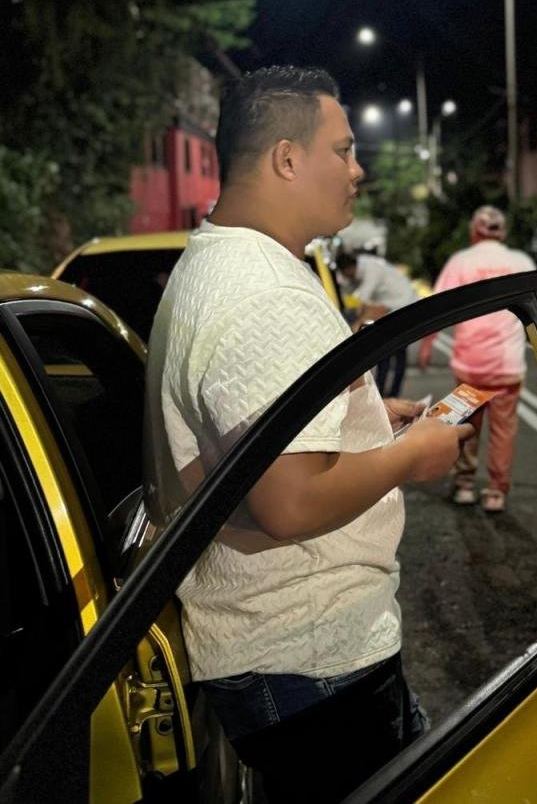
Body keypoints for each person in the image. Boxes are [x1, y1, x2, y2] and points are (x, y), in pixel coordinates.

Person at [142, 65, 473, 802]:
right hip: (312, 661)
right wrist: (409, 455)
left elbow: (254, 438)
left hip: (283, 661)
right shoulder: (265, 293)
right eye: (344, 149)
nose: (358, 170)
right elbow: (289, 502)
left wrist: (359, 421)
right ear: (287, 158)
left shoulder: (220, 260)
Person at [417, 206, 535, 513]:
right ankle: (496, 490)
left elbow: (437, 305)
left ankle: (465, 484)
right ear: (503, 232)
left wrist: (427, 344)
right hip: (507, 364)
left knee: (467, 423)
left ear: (474, 232)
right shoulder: (520, 262)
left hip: (470, 363)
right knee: (504, 429)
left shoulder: (462, 261)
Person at [335, 249, 420, 396]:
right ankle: (384, 392)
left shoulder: (371, 270)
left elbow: (363, 299)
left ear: (349, 268)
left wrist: (356, 325)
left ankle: (391, 393)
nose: (345, 277)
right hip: (392, 307)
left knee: (395, 354)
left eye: (345, 273)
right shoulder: (363, 266)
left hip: (403, 307)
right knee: (386, 353)